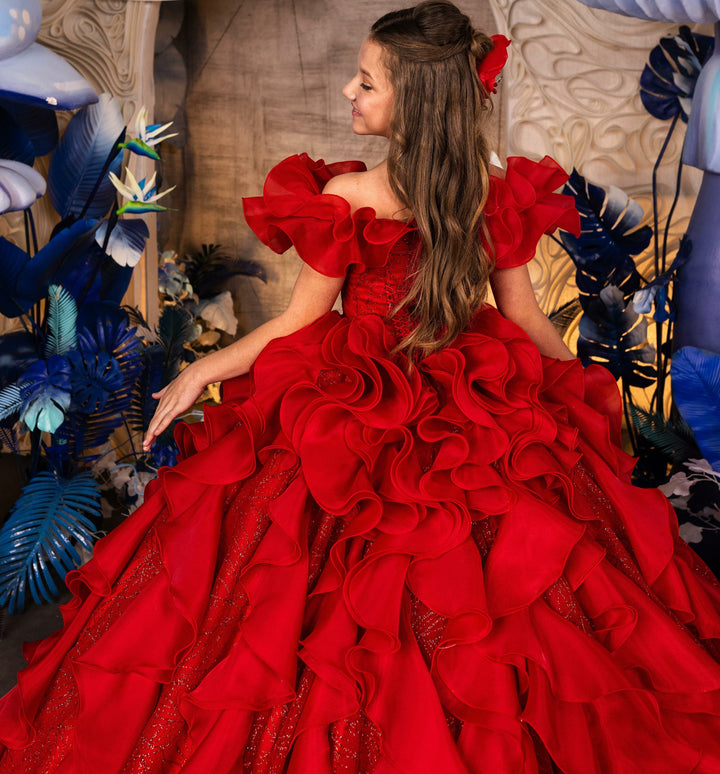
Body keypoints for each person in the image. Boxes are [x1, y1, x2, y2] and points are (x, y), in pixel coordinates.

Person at [2, 1, 720, 771]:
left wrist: (589, 396)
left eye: (367, 82)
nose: (349, 90)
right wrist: (586, 388)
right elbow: (528, 324)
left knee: (342, 578)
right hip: (445, 390)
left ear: (412, 102)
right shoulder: (491, 187)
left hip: (367, 396)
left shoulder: (353, 197)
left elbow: (296, 326)